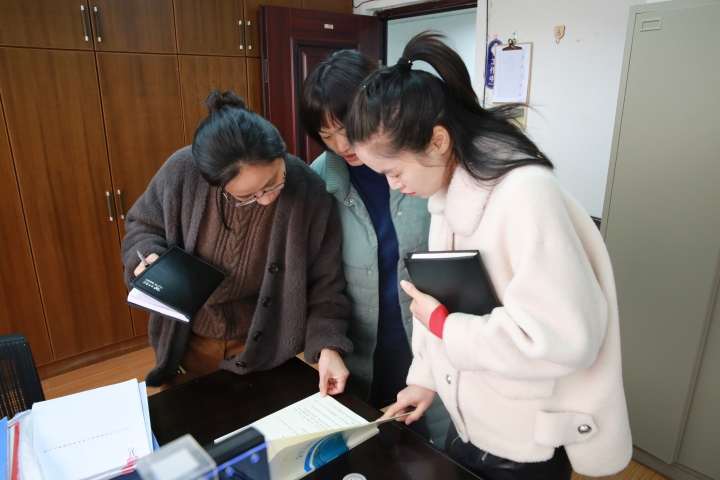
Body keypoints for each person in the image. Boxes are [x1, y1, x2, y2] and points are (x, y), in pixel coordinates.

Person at [345, 33, 632, 479]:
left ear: (438, 141)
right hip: (469, 424)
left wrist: (445, 327)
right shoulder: (448, 193)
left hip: (524, 442)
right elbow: (448, 303)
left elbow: (565, 340)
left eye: (394, 171)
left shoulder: (526, 194)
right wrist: (424, 379)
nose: (393, 185)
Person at [121, 91, 353, 395]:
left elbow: (326, 282)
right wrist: (149, 258)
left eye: (273, 182)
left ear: (280, 154)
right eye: (246, 197)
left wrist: (328, 345)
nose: (266, 200)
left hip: (265, 342)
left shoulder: (310, 191)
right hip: (189, 338)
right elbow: (142, 225)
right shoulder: (182, 171)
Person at [299, 50, 451, 445]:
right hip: (361, 352)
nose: (341, 144)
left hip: (434, 344)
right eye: (325, 135)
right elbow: (318, 279)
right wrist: (326, 344)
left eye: (346, 127)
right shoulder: (320, 182)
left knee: (435, 452)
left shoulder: (428, 168)